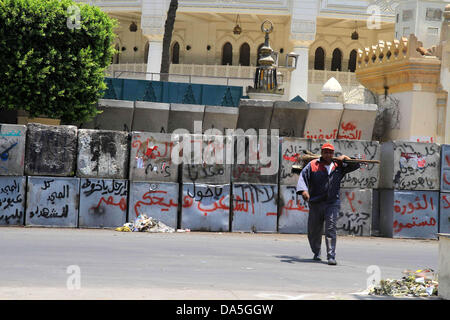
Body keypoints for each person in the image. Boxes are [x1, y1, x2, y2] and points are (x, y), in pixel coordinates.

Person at [296, 143, 360, 266]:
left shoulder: (338, 165)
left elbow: (356, 165)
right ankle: (316, 251)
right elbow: (303, 177)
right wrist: (304, 191)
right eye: (325, 152)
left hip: (332, 203)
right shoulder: (313, 165)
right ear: (322, 152)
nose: (328, 154)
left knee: (331, 228)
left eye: (330, 152)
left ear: (333, 153)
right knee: (314, 230)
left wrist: (347, 158)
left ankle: (331, 255)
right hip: (315, 202)